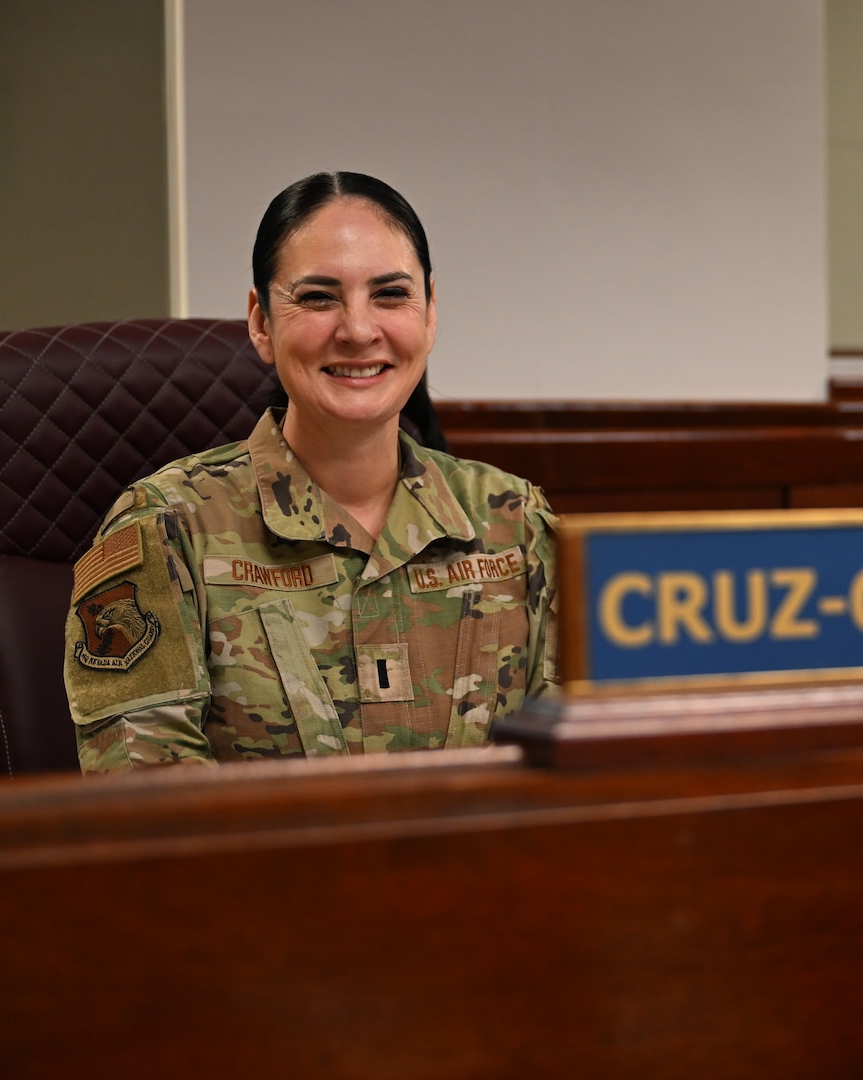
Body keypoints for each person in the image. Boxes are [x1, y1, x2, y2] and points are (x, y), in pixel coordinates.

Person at [64, 171, 558, 772]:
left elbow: (580, 770)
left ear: (429, 313)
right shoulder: (166, 529)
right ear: (261, 322)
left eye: (391, 294)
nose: (357, 329)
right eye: (319, 297)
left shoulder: (516, 524)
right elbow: (149, 803)